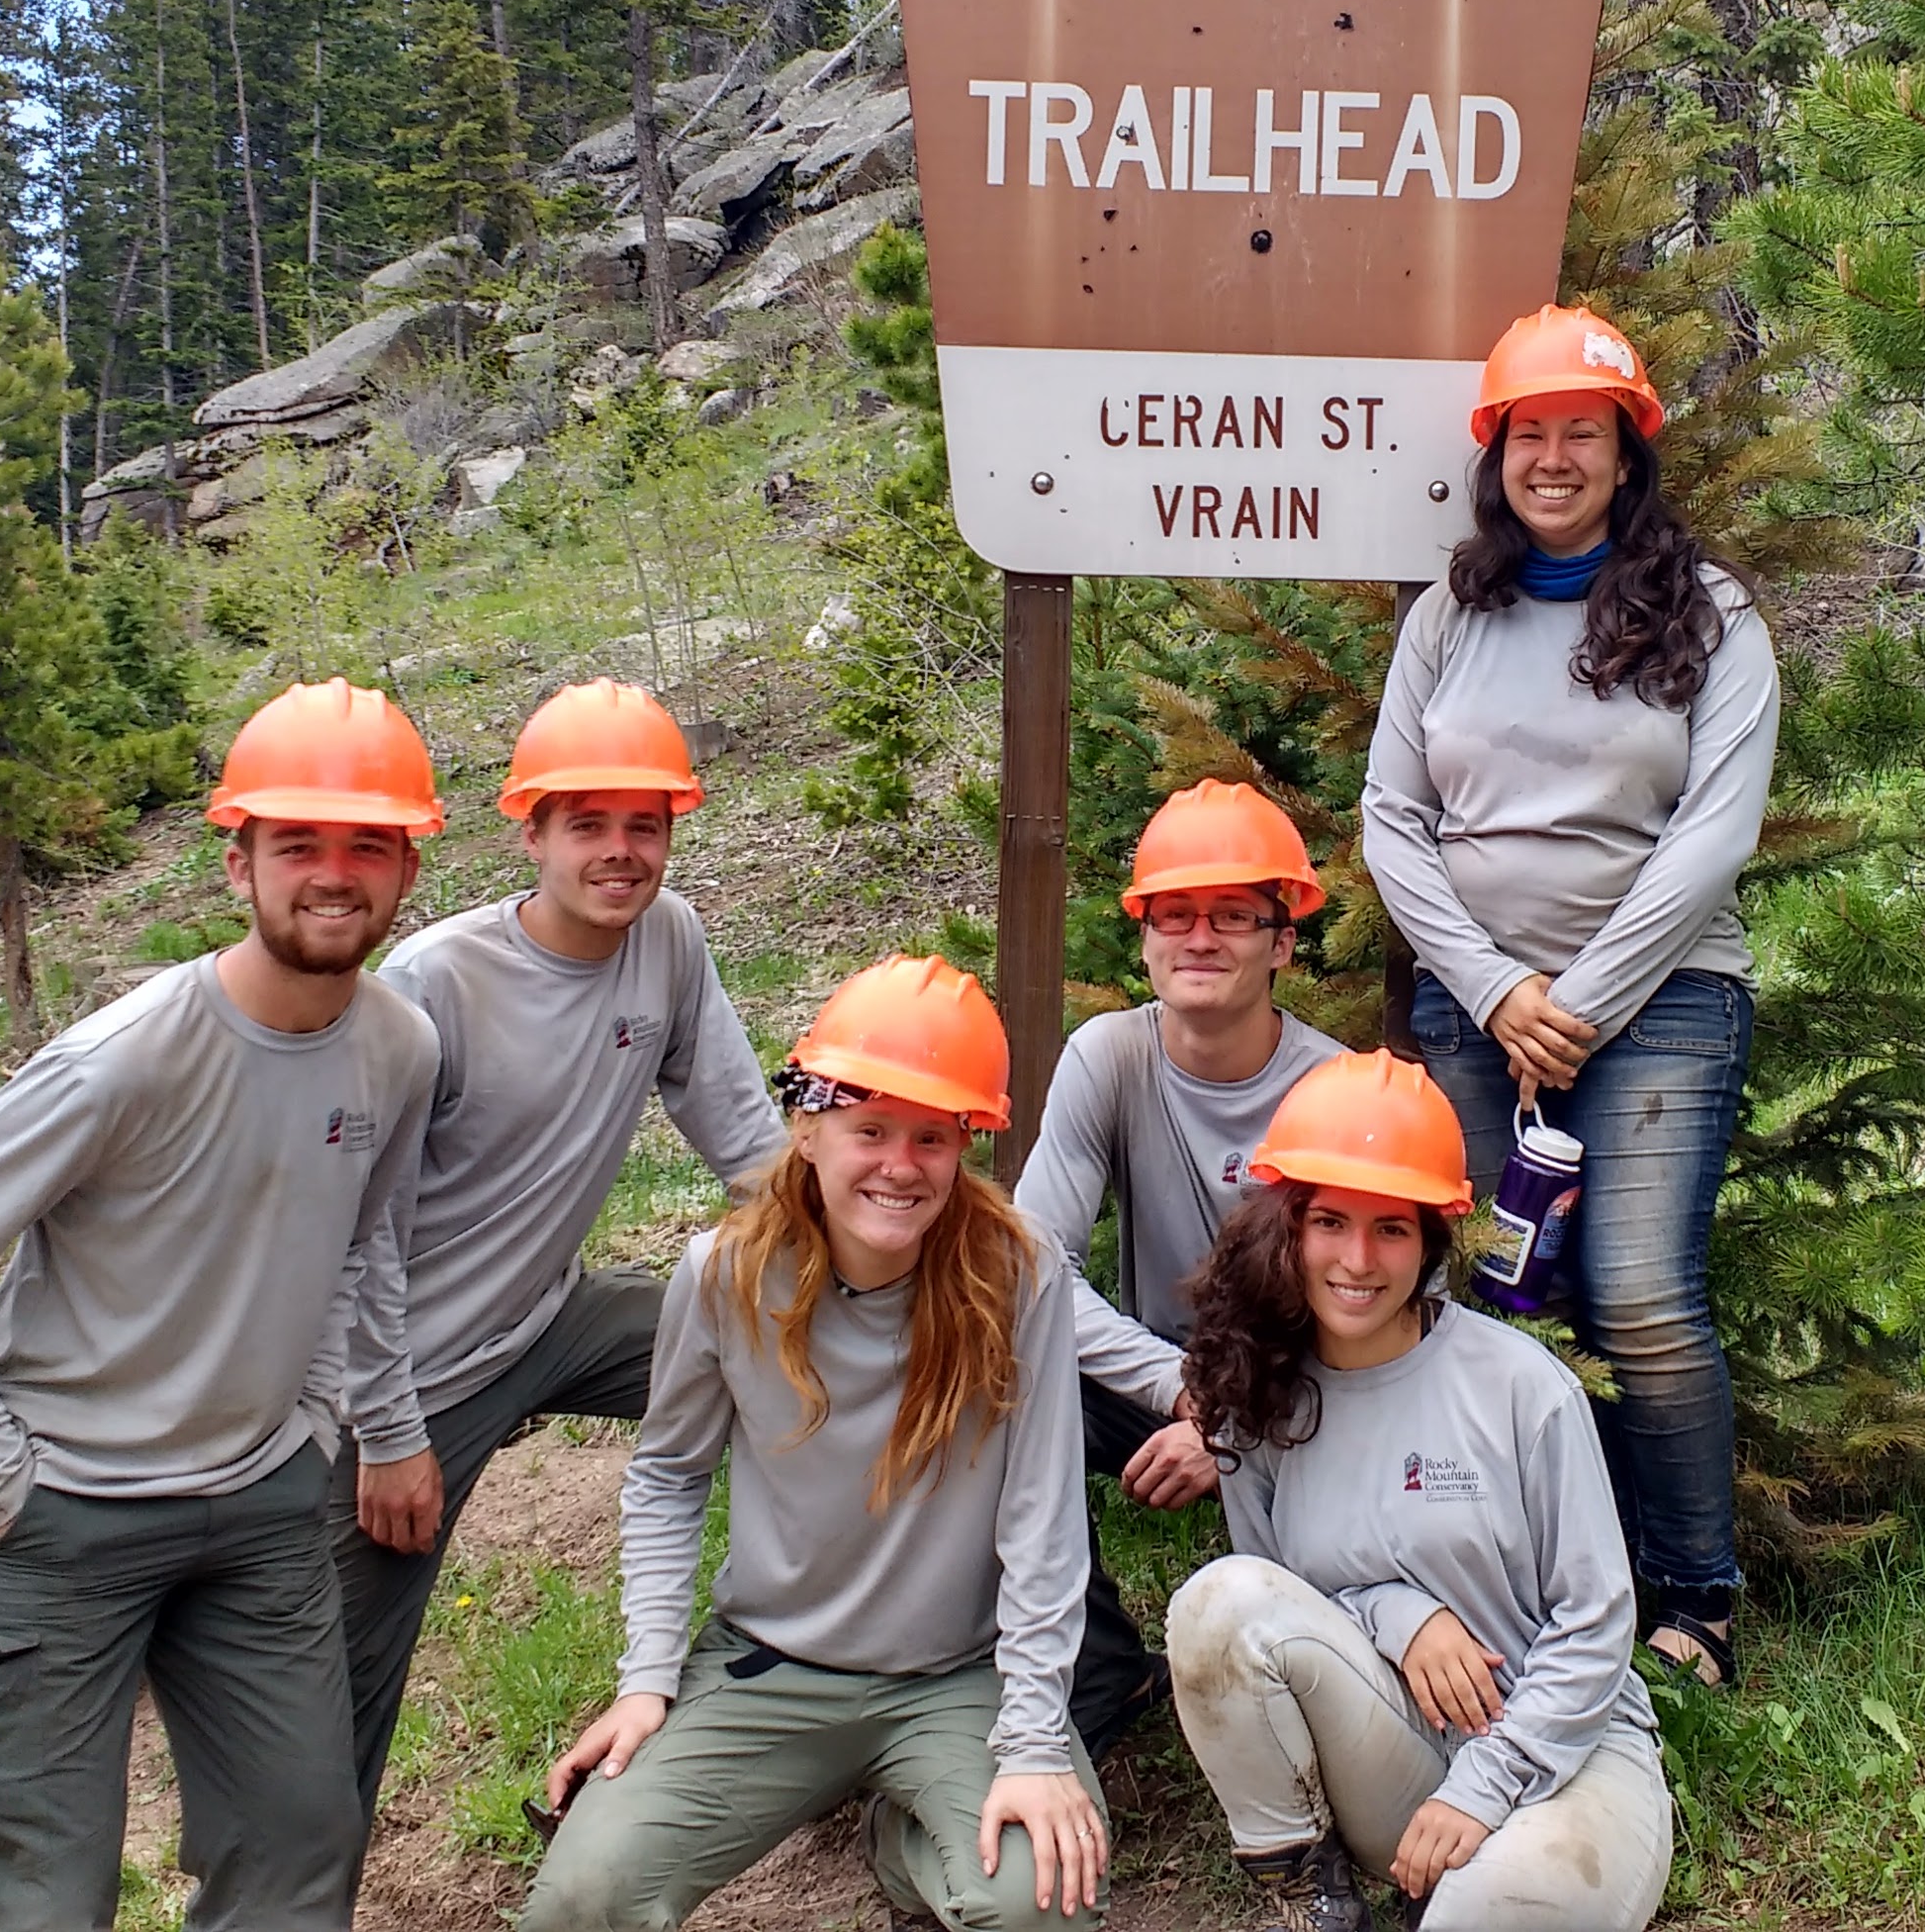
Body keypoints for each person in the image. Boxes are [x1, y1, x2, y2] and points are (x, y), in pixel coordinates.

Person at [0, 681, 448, 1930]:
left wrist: (330, 1426)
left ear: (407, 868)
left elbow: (361, 1254)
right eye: (298, 845)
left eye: (367, 846)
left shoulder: (398, 1047)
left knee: (299, 1843)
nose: (332, 876)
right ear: (238, 863)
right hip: (58, 1518)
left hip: (261, 1510)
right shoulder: (124, 1057)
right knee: (44, 1887)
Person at [1359, 302, 1778, 1688]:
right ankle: (1544, 1592)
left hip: (1662, 1006)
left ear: (1625, 451)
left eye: (1579, 433)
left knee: (1641, 1299)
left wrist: (1577, 1000)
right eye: (1527, 434)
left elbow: (1713, 835)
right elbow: (1390, 822)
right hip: (1477, 1020)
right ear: (1495, 456)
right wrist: (1492, 990)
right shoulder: (1446, 618)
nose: (1553, 457)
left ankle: (1694, 1602)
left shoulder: (1713, 618)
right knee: (1496, 1307)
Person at [518, 955, 1106, 1932]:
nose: (897, 1165)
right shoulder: (724, 1273)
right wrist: (647, 1679)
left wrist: (1037, 1741)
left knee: (1037, 1907)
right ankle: (882, 1810)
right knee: (585, 1899)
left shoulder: (1018, 1275)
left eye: (930, 1138)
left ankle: (909, 1843)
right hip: (769, 1665)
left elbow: (1043, 1520)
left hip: (956, 1677)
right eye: (868, 1130)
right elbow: (667, 1476)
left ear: (967, 1143)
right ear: (807, 1125)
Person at [336, 680, 784, 1809]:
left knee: (805, 1356)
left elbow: (745, 1140)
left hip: (553, 1317)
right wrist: (387, 1433)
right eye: (587, 824)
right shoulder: (434, 984)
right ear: (529, 830)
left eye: (646, 825)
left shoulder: (666, 941)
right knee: (336, 1690)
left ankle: (825, 1659)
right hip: (409, 1376)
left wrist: (872, 1273)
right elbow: (355, 1233)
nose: (621, 853)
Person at [1165, 1051, 1672, 1932]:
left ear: (1433, 1238)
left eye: (1391, 1229)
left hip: (1568, 1754)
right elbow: (1278, 1608)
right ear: (1286, 1226)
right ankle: (1309, 1899)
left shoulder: (1520, 1388)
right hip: (1392, 1757)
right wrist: (1397, 1614)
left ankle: (1480, 1884)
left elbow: (1596, 1620)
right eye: (1329, 1221)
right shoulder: (1258, 1399)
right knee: (1218, 1604)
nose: (1357, 1259)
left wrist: (1484, 1785)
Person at [1010, 778, 1350, 1755]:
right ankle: (1101, 1672)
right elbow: (1031, 1270)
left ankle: (1316, 1686)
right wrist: (1185, 1391)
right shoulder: (1105, 1059)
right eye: (1174, 913)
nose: (1199, 936)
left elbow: (1374, 1321)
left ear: (1281, 941)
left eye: (1233, 914)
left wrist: (1235, 1418)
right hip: (1161, 1374)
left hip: (1306, 1388)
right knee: (985, 1375)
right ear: (1144, 935)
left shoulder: (1328, 1089)